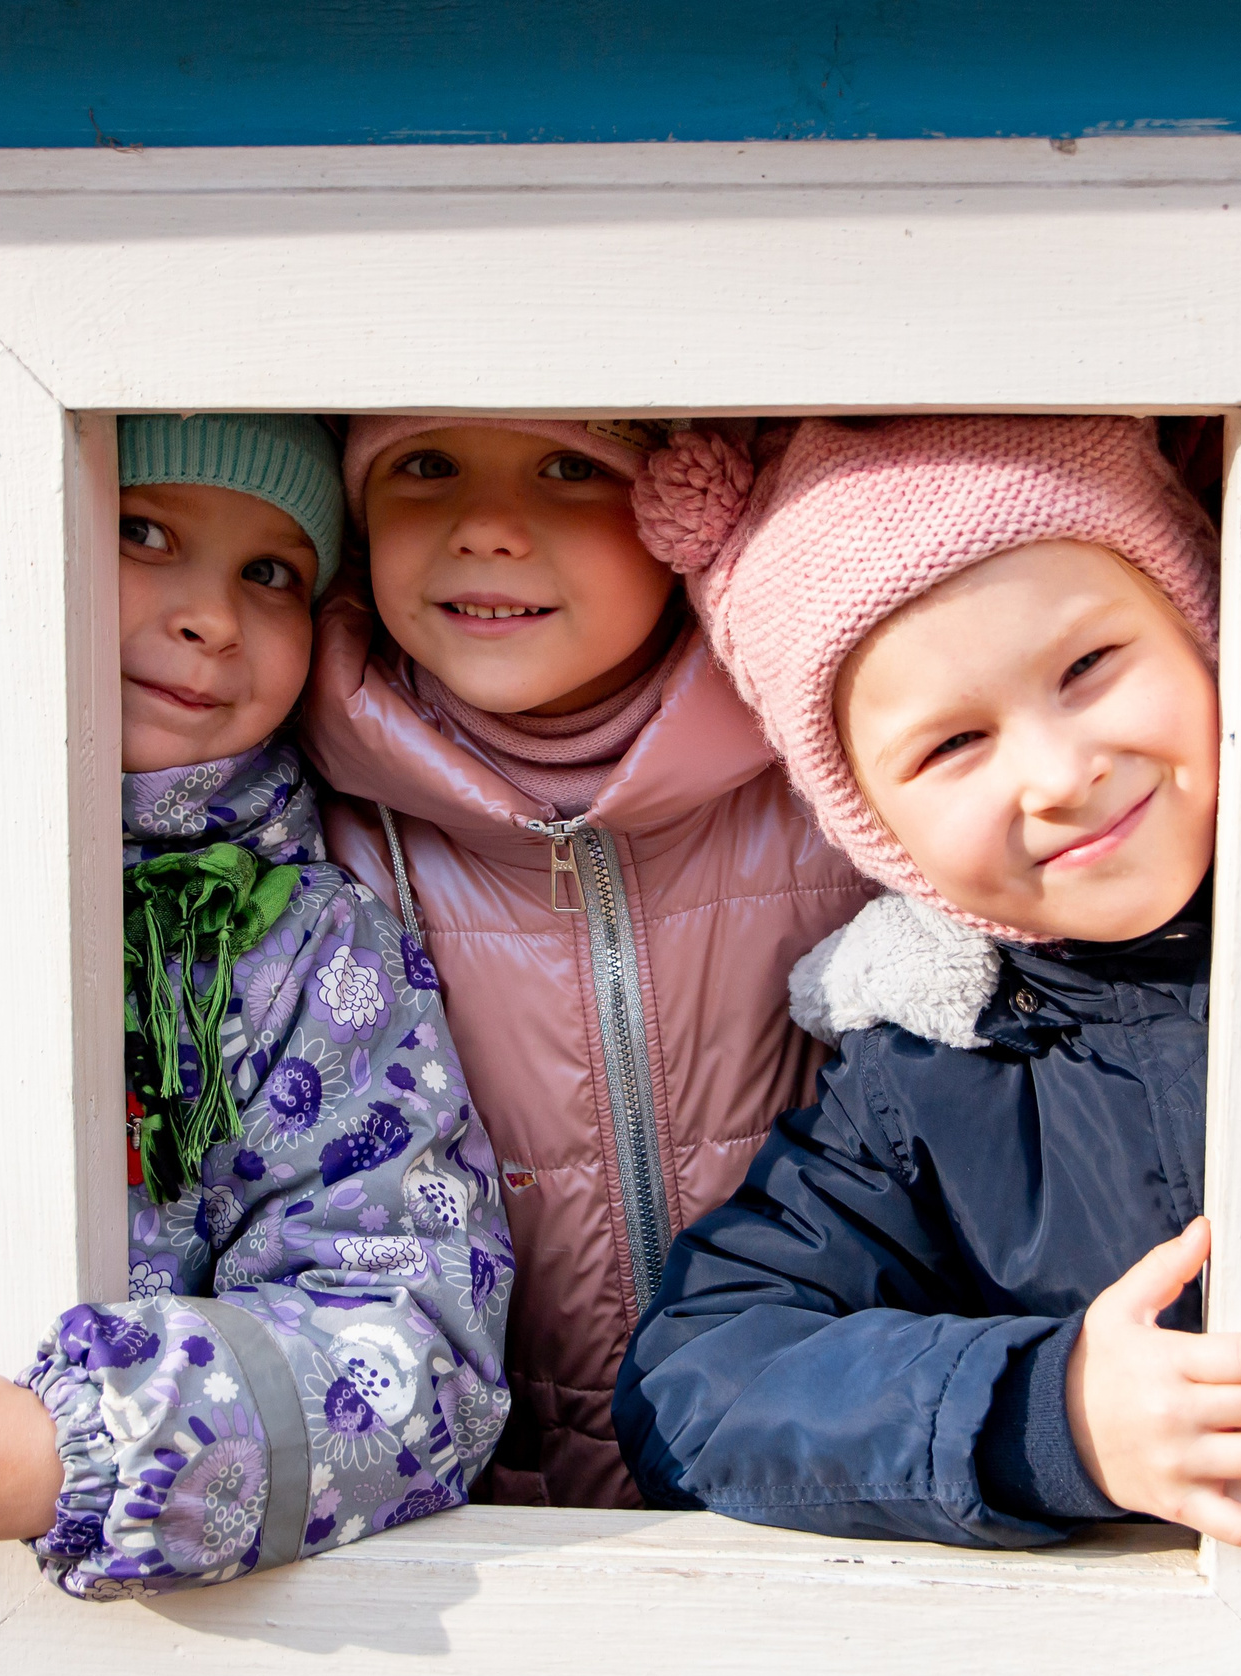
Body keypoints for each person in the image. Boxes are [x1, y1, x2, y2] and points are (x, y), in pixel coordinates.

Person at [613, 415, 1241, 1549]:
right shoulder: (930, 1077)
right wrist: (1046, 1413)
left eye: (1087, 667)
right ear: (875, 828)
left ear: (1200, 628)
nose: (1060, 776)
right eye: (951, 746)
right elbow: (698, 1386)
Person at [0, 414, 512, 1597]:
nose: (211, 618)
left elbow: (418, 1340)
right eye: (143, 532)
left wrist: (77, 1450)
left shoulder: (309, 945)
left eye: (267, 573)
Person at [298, 417, 870, 1506]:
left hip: (819, 1481)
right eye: (427, 465)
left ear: (684, 509)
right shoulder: (322, 832)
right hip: (498, 1529)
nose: (488, 526)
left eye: (572, 468)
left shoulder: (839, 766)